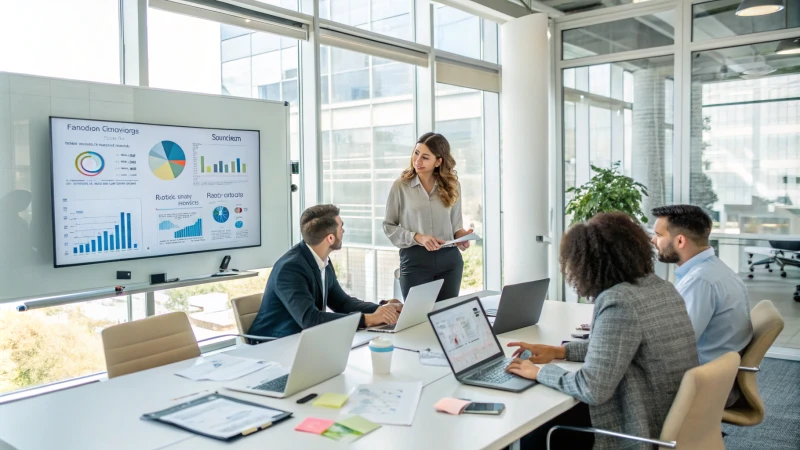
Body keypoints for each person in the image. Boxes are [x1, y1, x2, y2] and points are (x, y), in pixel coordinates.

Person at [505, 212, 698, 450]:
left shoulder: (620, 301)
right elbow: (617, 346)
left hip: (638, 427)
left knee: (531, 429)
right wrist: (559, 352)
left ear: (588, 265)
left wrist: (539, 373)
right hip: (670, 417)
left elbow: (592, 388)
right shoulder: (661, 288)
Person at [248, 204, 402, 339]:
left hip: (303, 341)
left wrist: (383, 310)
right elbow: (310, 319)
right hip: (272, 345)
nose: (343, 230)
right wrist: (368, 319)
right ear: (330, 238)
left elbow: (342, 303)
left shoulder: (322, 260)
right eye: (340, 227)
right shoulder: (290, 269)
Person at [651, 205, 753, 364]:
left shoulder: (700, 281)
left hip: (699, 374)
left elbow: (676, 344)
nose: (653, 240)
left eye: (658, 235)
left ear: (680, 240)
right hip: (718, 367)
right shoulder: (714, 269)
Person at [383, 132, 473, 301]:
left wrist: (462, 237)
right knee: (416, 317)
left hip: (450, 261)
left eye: (425, 157)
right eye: (416, 153)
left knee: (445, 317)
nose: (417, 161)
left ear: (438, 161)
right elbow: (389, 226)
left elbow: (455, 226)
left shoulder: (453, 186)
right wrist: (418, 237)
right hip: (415, 260)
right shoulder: (400, 186)